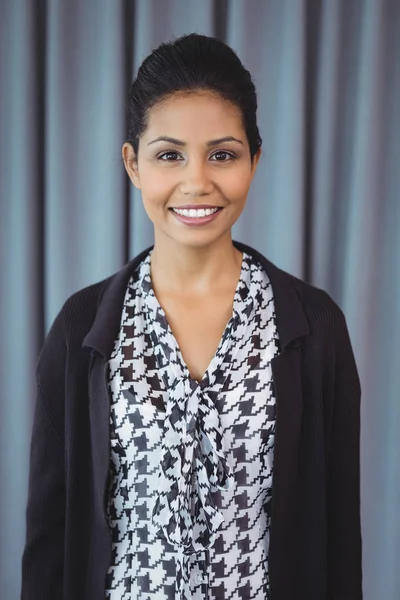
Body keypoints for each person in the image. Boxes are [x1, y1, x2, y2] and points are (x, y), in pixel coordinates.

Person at [21, 33, 362, 600]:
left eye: (222, 154)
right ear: (133, 164)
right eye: (169, 154)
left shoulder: (315, 326)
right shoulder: (81, 328)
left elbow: (338, 542)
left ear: (256, 159)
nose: (197, 181)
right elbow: (50, 540)